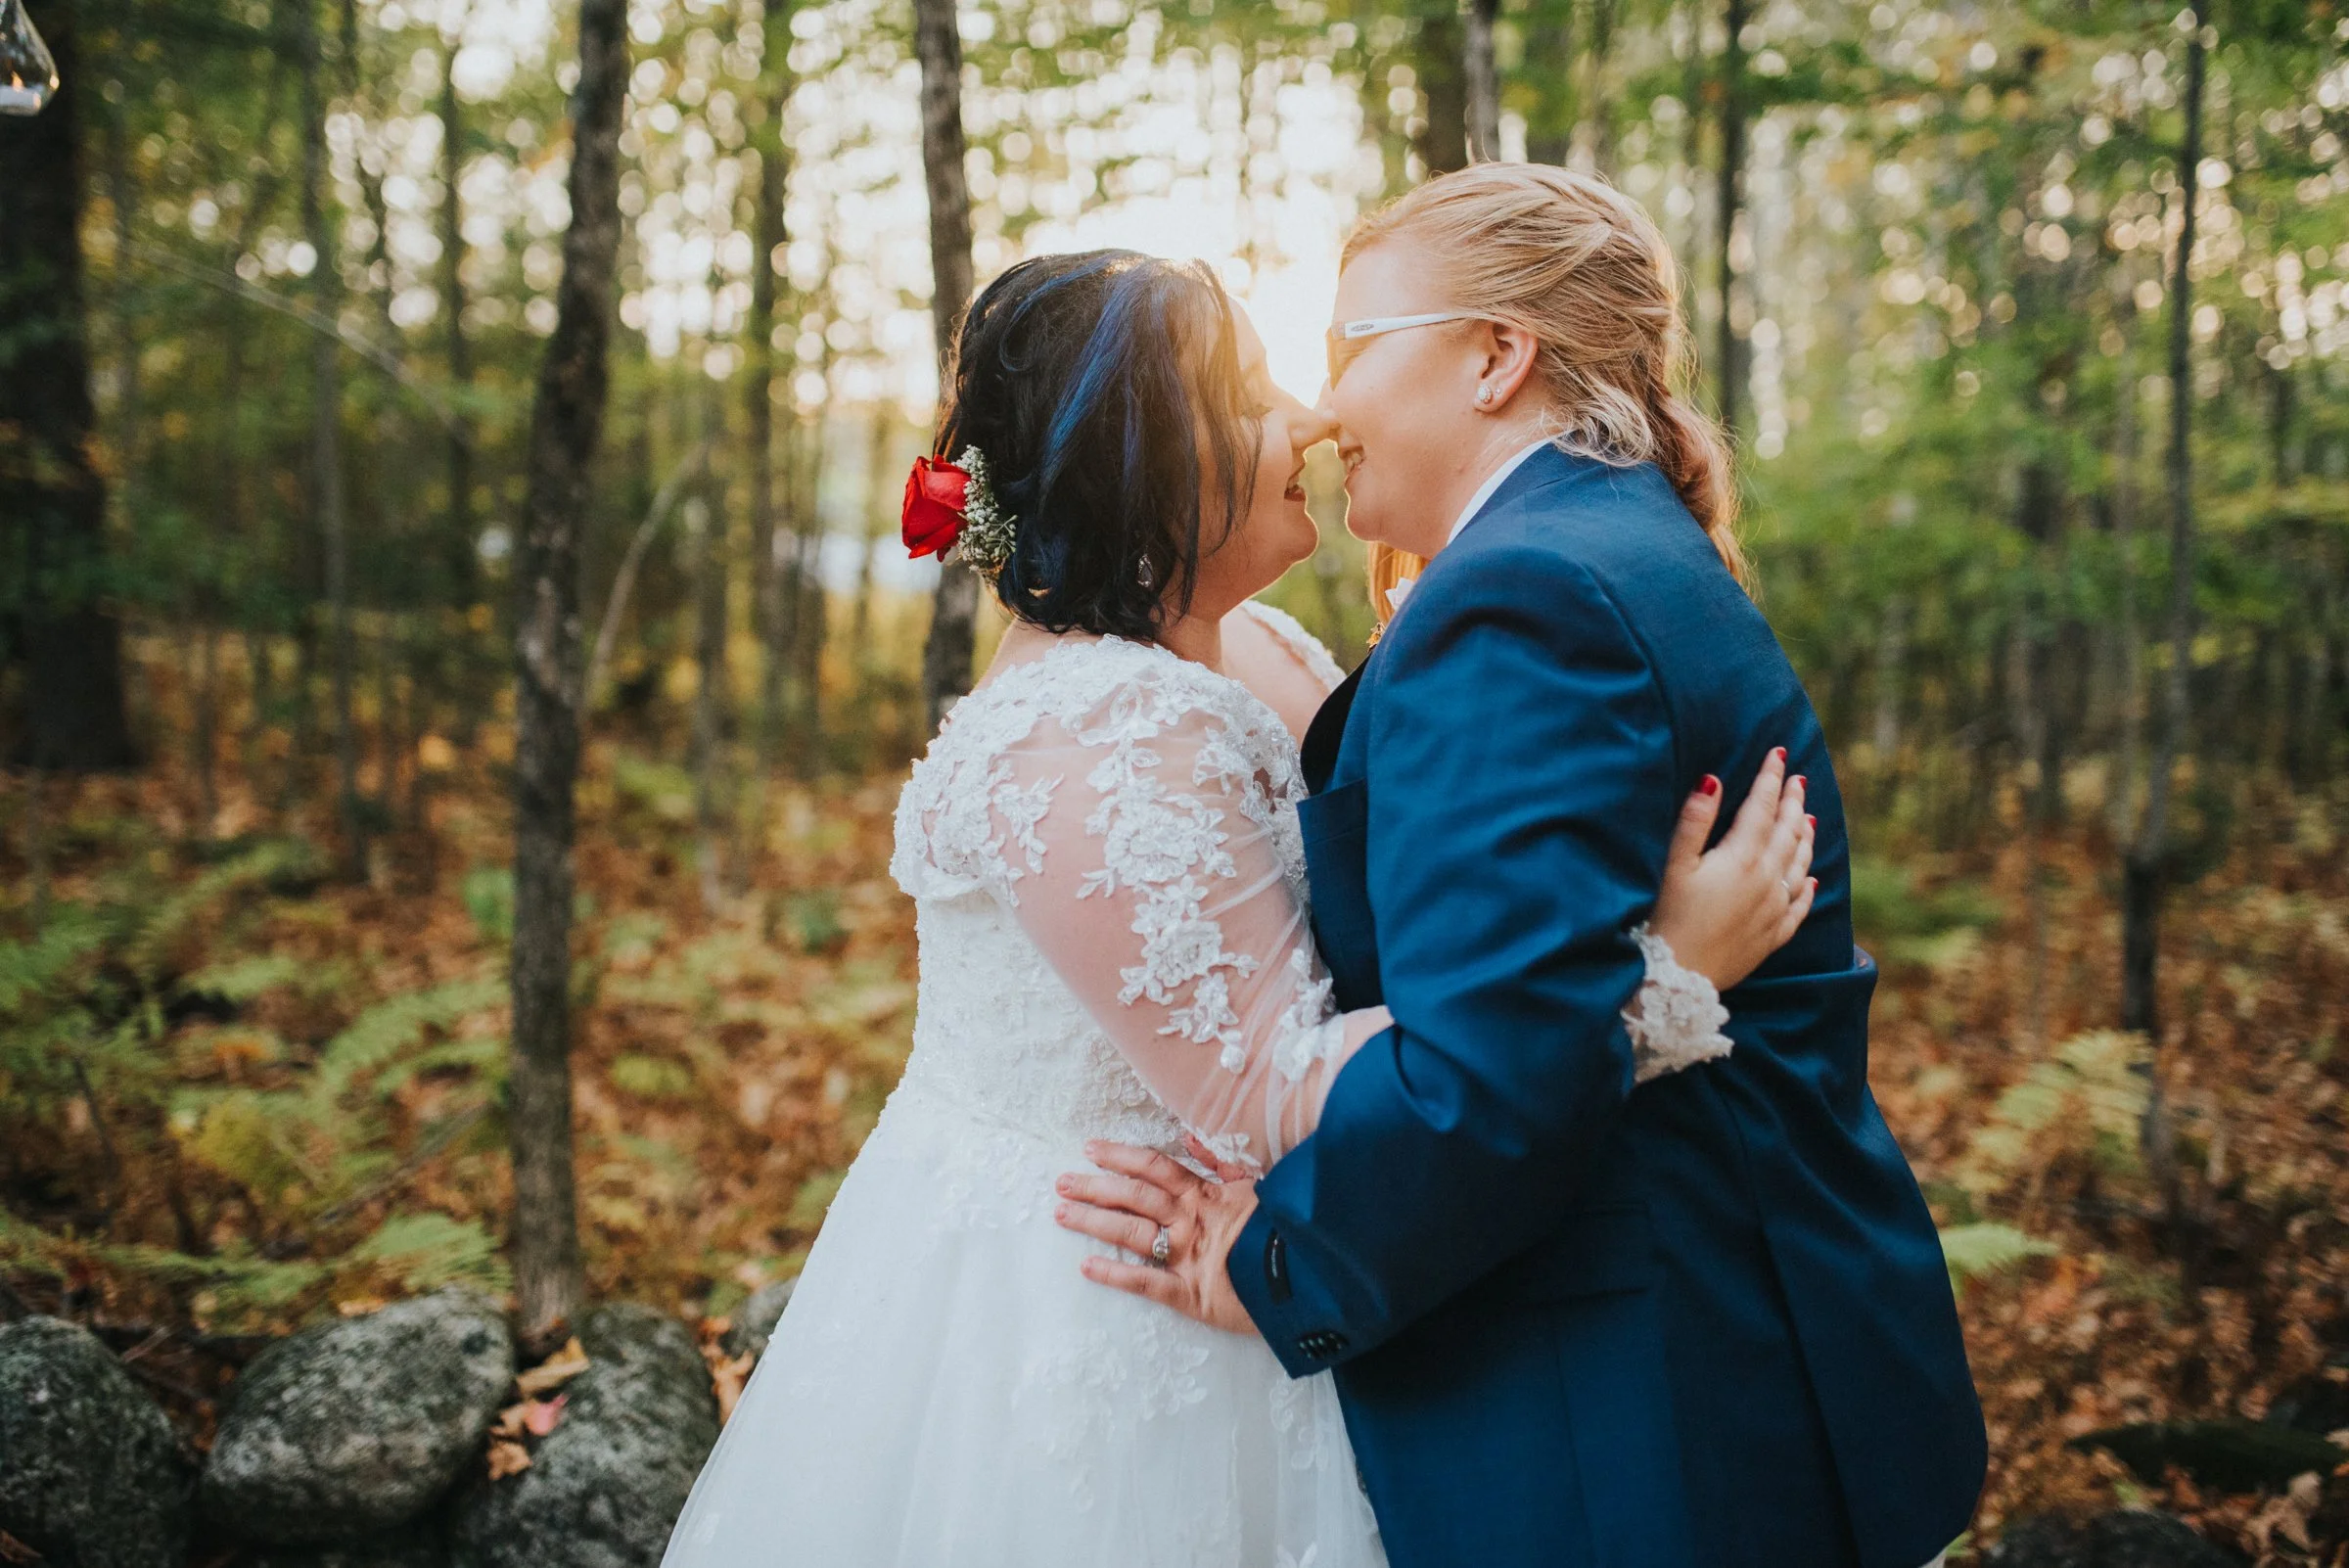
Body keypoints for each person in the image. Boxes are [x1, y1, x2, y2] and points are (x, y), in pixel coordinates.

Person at [659, 247, 1814, 1568]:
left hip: (1288, 1255)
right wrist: (1657, 971)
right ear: (1149, 453)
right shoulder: (1093, 731)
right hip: (1115, 1310)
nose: (1310, 421)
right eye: (1254, 397)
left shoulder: (1239, 646)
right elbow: (1268, 1086)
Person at [1055, 164, 1988, 1568]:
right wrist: (1665, 967)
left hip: (1632, 1404)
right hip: (1720, 1337)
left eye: (1350, 347)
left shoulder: (1526, 594)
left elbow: (1489, 1076)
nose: (1322, 407)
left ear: (1497, 356)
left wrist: (1270, 1264)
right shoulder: (1606, 545)